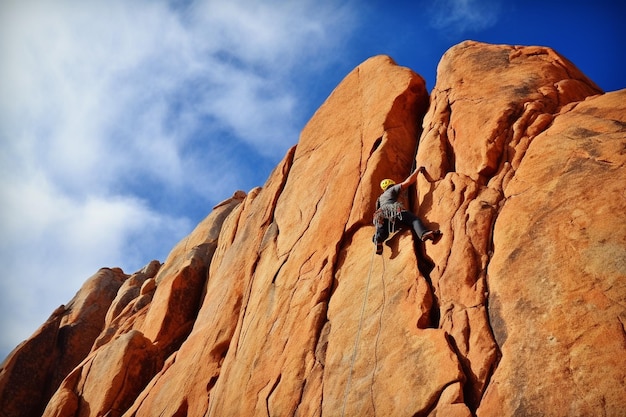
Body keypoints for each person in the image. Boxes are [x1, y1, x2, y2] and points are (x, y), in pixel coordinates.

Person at [373, 167, 439, 255]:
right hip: (392, 209)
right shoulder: (392, 189)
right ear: (391, 184)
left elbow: (378, 210)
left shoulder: (380, 198)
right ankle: (424, 233)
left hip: (380, 215)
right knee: (414, 220)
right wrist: (417, 170)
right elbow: (408, 182)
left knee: (383, 231)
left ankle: (378, 240)